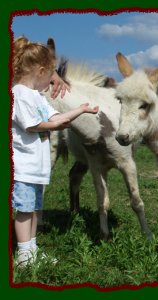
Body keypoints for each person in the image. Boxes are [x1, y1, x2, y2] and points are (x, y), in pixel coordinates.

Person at [11, 36, 99, 268]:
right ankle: (23, 255)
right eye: (50, 76)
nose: (52, 83)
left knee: (33, 210)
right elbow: (31, 124)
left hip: (36, 168)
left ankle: (31, 252)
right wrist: (55, 126)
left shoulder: (37, 97)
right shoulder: (19, 93)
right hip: (23, 167)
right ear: (41, 71)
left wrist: (80, 110)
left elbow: (55, 117)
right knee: (24, 212)